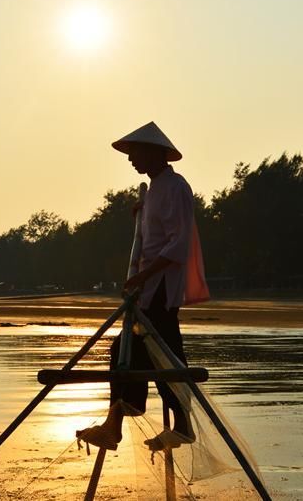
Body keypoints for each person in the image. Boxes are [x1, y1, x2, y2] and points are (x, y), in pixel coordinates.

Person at [77, 121, 210, 451]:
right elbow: (154, 234)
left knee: (162, 357)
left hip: (160, 288)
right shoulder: (154, 191)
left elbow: (177, 245)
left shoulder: (176, 187)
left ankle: (172, 424)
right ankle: (118, 421)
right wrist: (143, 209)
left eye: (135, 153)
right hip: (148, 289)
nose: (131, 160)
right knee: (130, 352)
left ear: (153, 153)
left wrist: (142, 276)